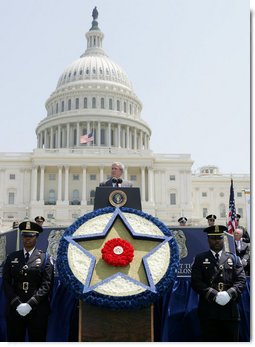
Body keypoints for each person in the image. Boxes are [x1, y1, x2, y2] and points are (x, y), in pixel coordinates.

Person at [191, 225, 246, 342]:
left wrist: (229, 293)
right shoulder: (200, 259)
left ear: (223, 239)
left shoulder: (234, 258)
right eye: (213, 238)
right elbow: (196, 282)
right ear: (208, 239)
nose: (216, 241)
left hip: (230, 310)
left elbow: (241, 280)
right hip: (209, 311)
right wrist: (213, 294)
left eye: (219, 238)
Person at [2, 221, 54, 342]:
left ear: (36, 237)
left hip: (37, 309)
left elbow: (46, 285)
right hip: (15, 308)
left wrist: (30, 304)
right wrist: (17, 303)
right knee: (14, 340)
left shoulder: (44, 258)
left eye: (31, 236)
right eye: (25, 236)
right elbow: (6, 283)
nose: (27, 239)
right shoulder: (12, 257)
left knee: (37, 340)